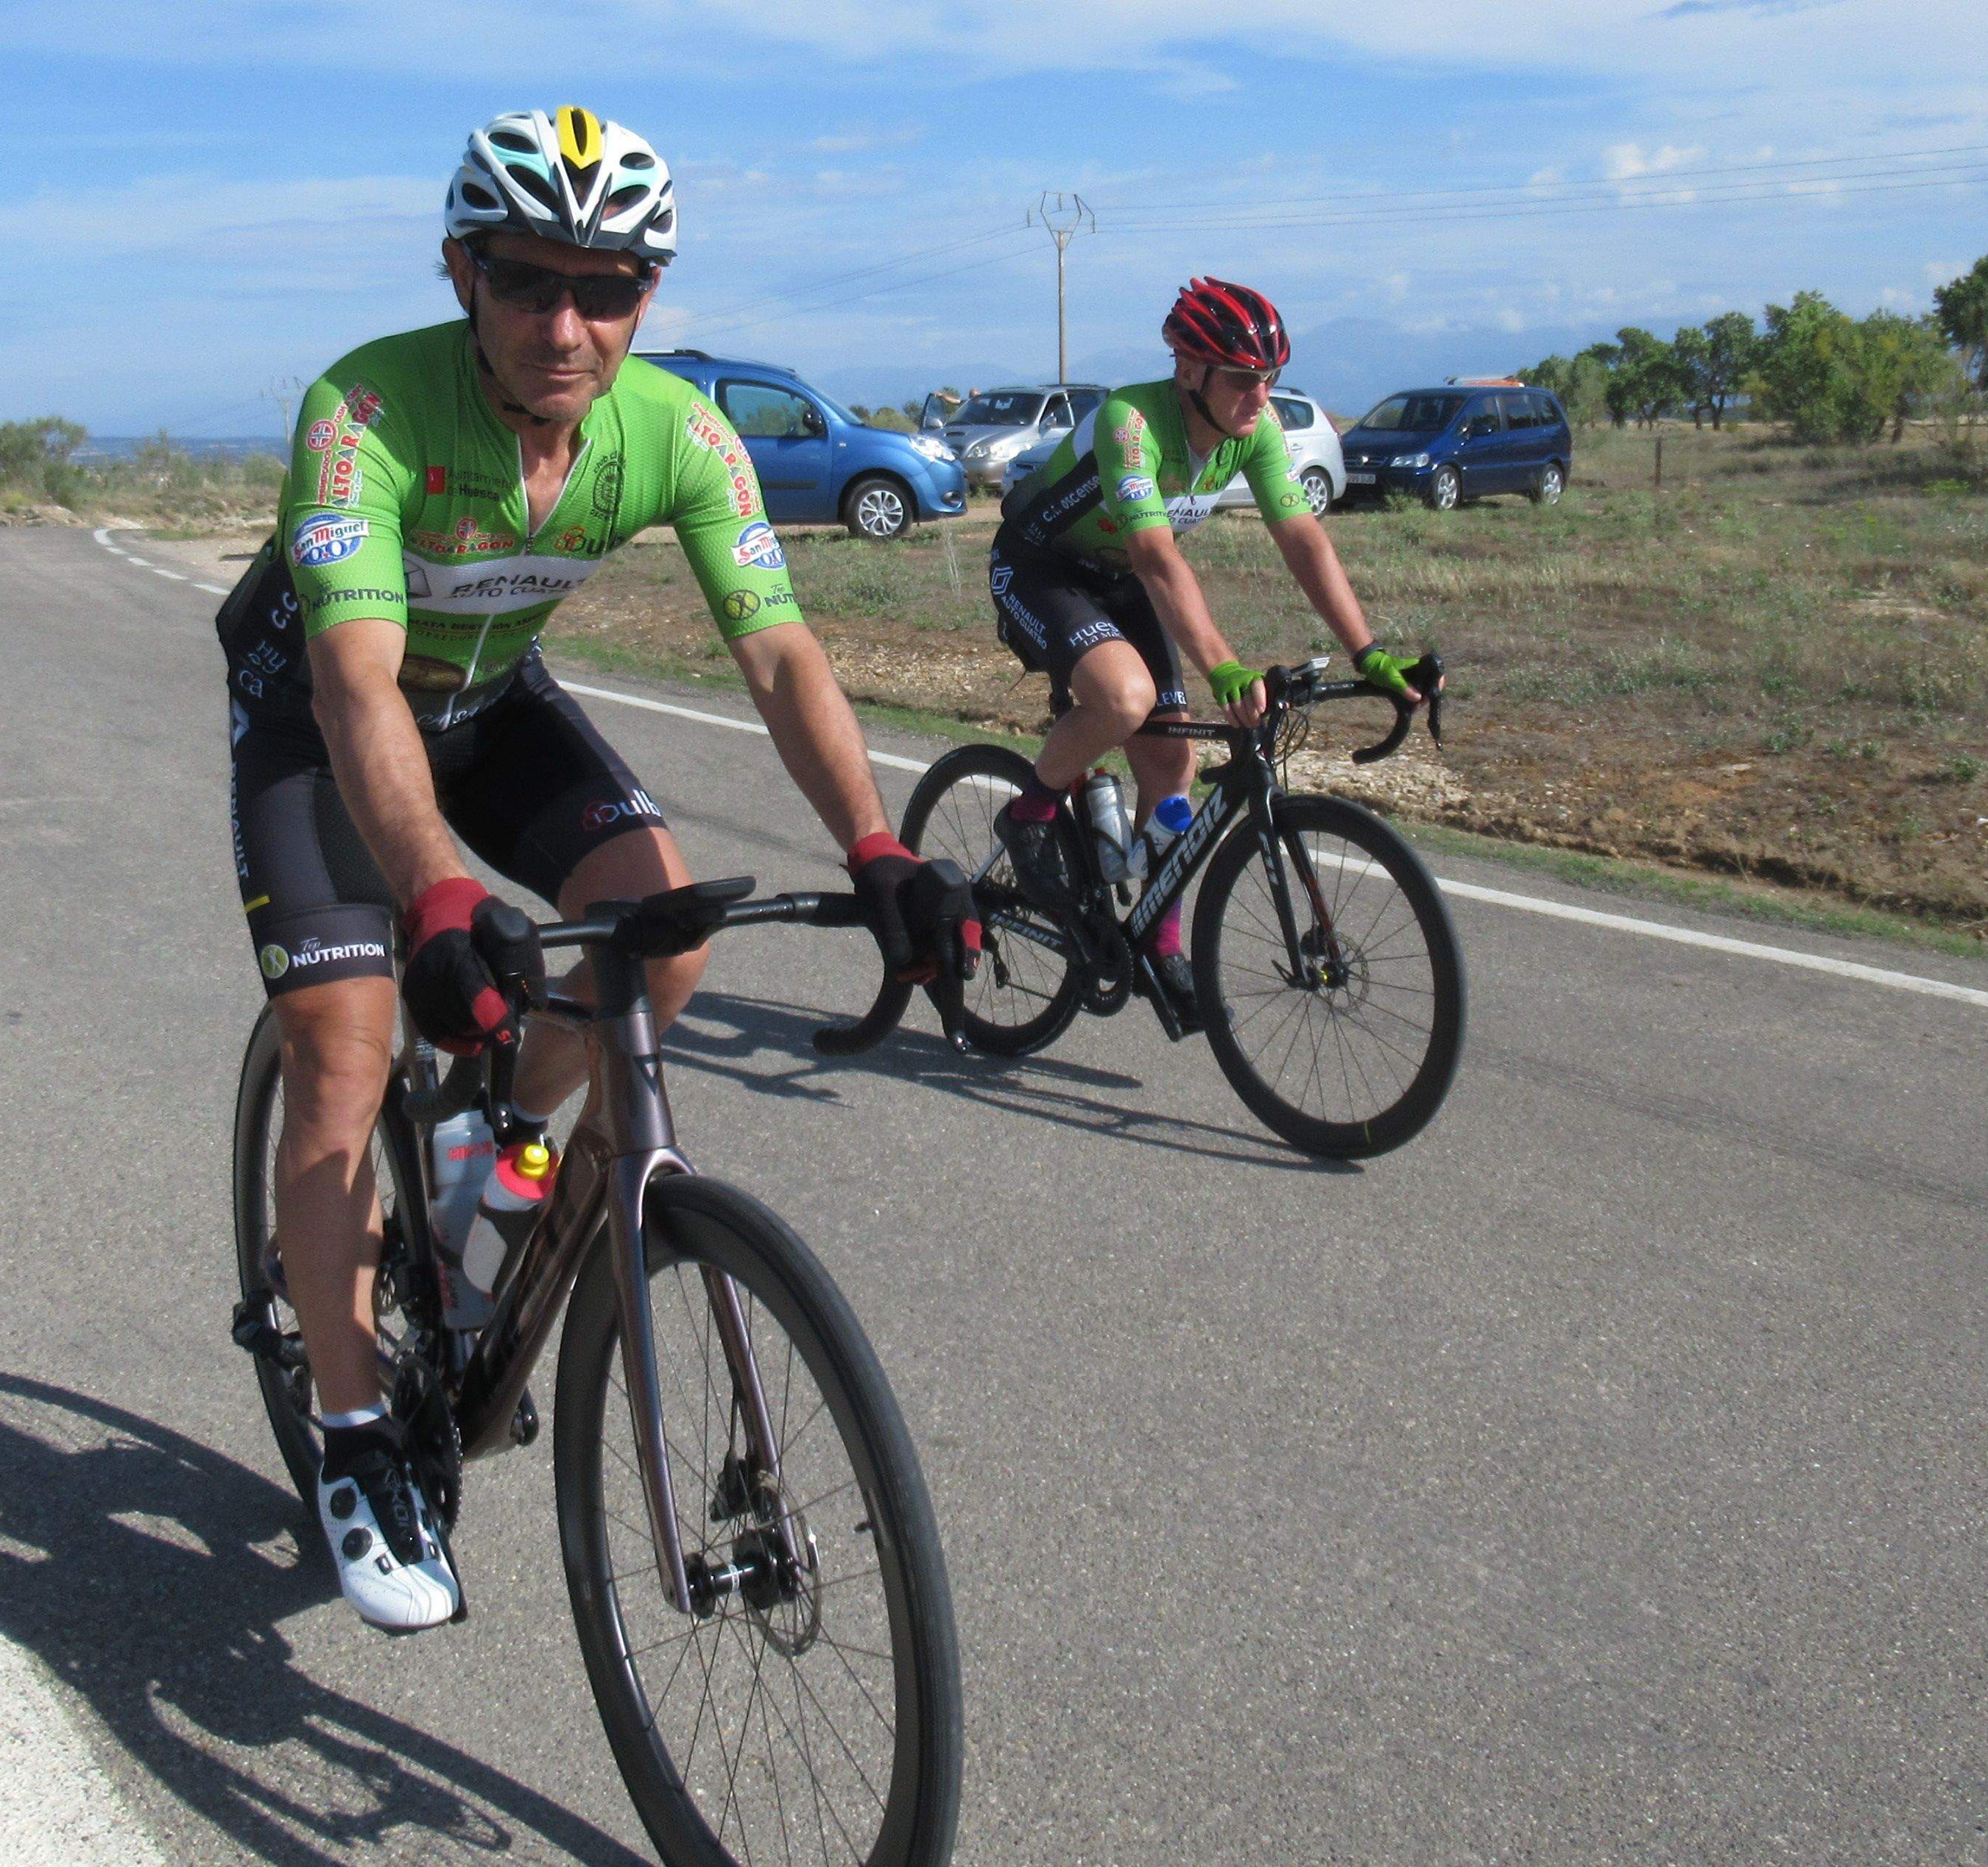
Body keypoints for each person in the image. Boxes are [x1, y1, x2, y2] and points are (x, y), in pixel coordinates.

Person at [219, 105, 978, 1634]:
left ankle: (492, 1137)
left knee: (667, 937)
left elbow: (779, 654)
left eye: (610, 289)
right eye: (525, 283)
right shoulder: (366, 410)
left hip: (495, 704)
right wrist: (437, 895)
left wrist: (883, 847)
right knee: (345, 1051)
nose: (567, 325)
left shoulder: (678, 434)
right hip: (322, 721)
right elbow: (363, 692)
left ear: (651, 297)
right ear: (461, 275)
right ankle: (359, 1440)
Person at [987, 278, 1431, 1021]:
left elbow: (1303, 540)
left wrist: (1370, 652)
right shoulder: (1131, 421)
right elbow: (1162, 561)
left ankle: (1158, 944)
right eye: (1244, 380)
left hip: (1120, 577)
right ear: (1189, 370)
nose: (1261, 399)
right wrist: (1222, 667)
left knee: (1172, 765)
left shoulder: (1252, 434)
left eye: (1270, 380)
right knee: (1125, 699)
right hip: (1040, 570)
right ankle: (1029, 817)